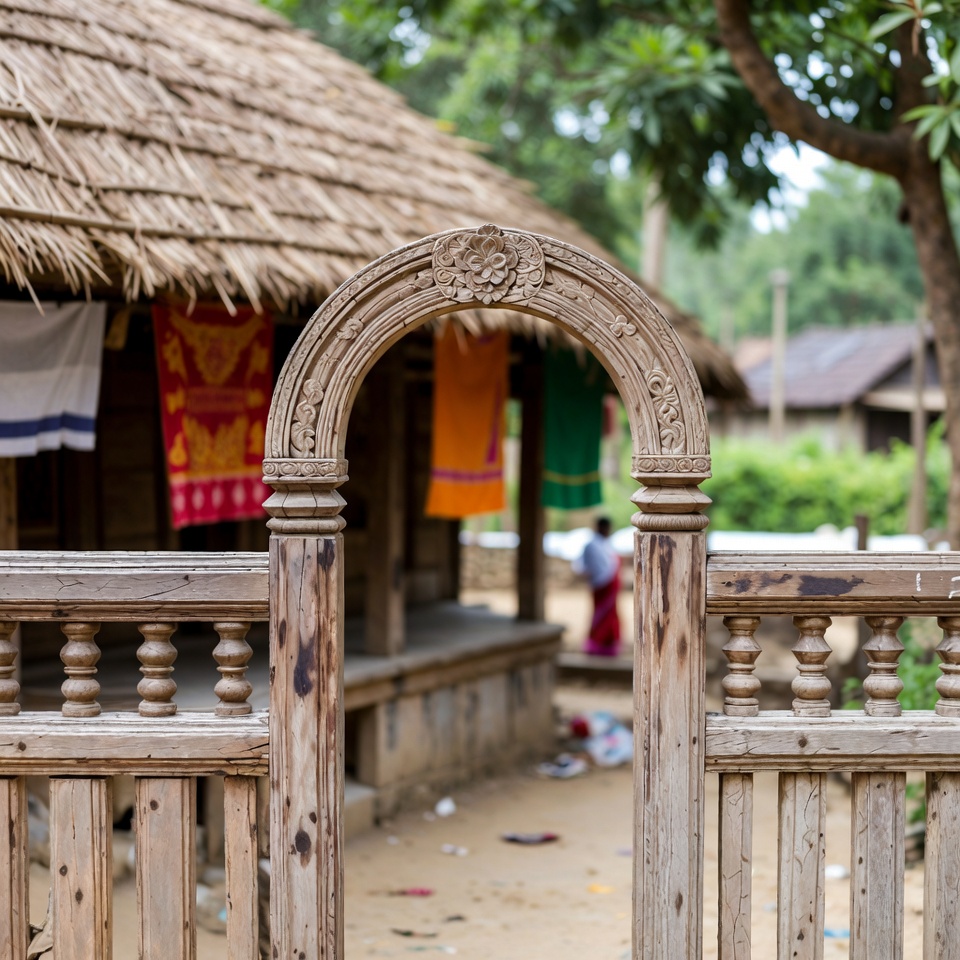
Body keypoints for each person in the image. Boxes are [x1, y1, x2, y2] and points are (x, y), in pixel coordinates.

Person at [577, 516, 621, 657]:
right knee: (601, 615)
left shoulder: (605, 544)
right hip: (602, 585)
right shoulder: (593, 545)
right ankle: (597, 643)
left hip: (608, 585)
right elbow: (583, 567)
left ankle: (608, 644)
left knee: (609, 615)